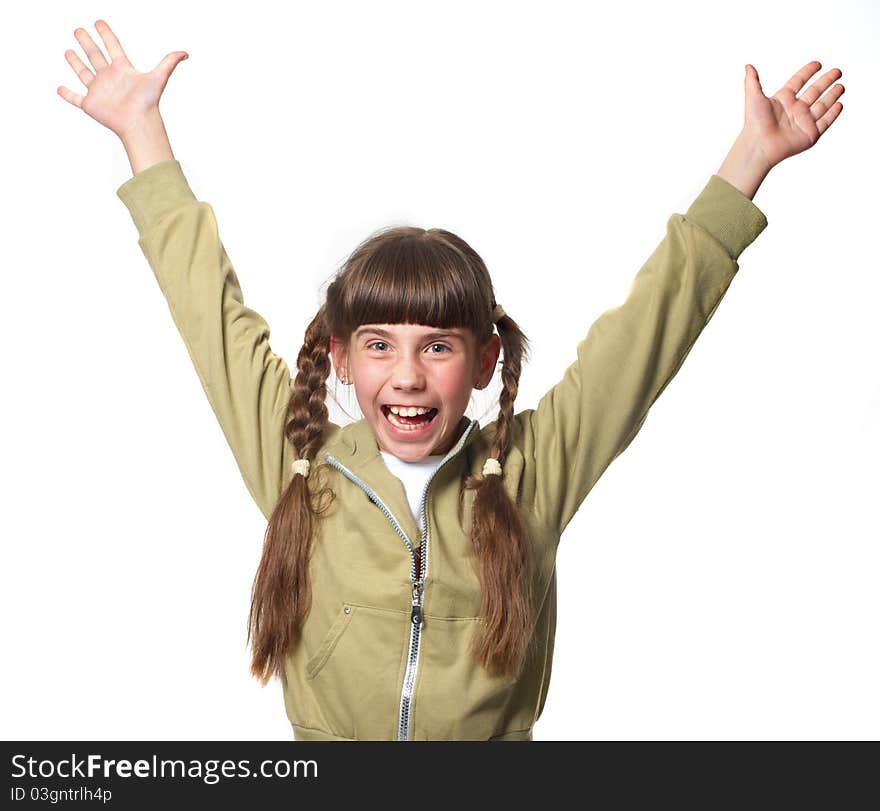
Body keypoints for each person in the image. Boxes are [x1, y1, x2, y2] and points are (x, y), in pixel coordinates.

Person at [58, 20, 845, 741]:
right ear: (339, 356)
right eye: (378, 344)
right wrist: (141, 130)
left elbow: (649, 328)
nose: (407, 375)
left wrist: (750, 161)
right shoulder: (300, 460)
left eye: (437, 346)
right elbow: (208, 311)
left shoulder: (536, 470)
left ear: (485, 360)